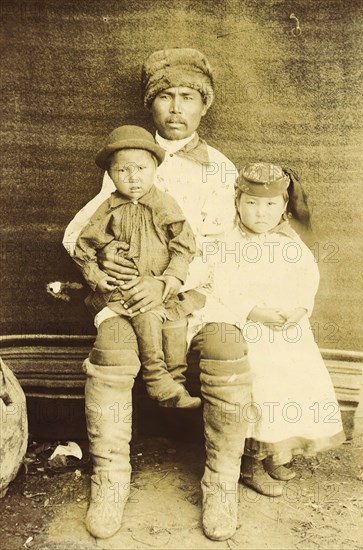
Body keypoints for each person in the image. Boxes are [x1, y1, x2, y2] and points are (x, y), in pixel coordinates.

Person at [64, 48, 250, 542]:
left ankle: (221, 483)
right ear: (151, 105)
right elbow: (78, 233)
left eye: (187, 97)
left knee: (227, 348)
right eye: (165, 96)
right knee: (113, 350)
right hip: (130, 296)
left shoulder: (220, 168)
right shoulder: (130, 160)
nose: (175, 107)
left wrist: (168, 281)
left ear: (203, 106)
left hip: (196, 291)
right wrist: (105, 263)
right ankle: (110, 478)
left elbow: (224, 247)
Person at [199, 162, 346, 496]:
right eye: (251, 203)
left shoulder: (289, 243)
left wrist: (298, 309)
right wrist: (255, 311)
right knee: (261, 387)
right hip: (250, 328)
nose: (260, 213)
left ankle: (275, 452)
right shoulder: (229, 244)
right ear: (237, 203)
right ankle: (249, 462)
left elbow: (307, 279)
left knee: (293, 383)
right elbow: (224, 285)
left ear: (283, 207)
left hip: (287, 330)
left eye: (269, 204)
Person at [73, 124, 203, 410]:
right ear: (109, 174)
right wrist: (96, 277)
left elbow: (184, 245)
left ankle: (175, 381)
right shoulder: (107, 208)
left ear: (155, 169)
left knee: (176, 324)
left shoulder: (164, 204)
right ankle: (157, 379)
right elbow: (83, 248)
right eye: (122, 171)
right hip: (126, 289)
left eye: (141, 169)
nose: (133, 178)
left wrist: (172, 278)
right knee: (146, 317)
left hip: (161, 287)